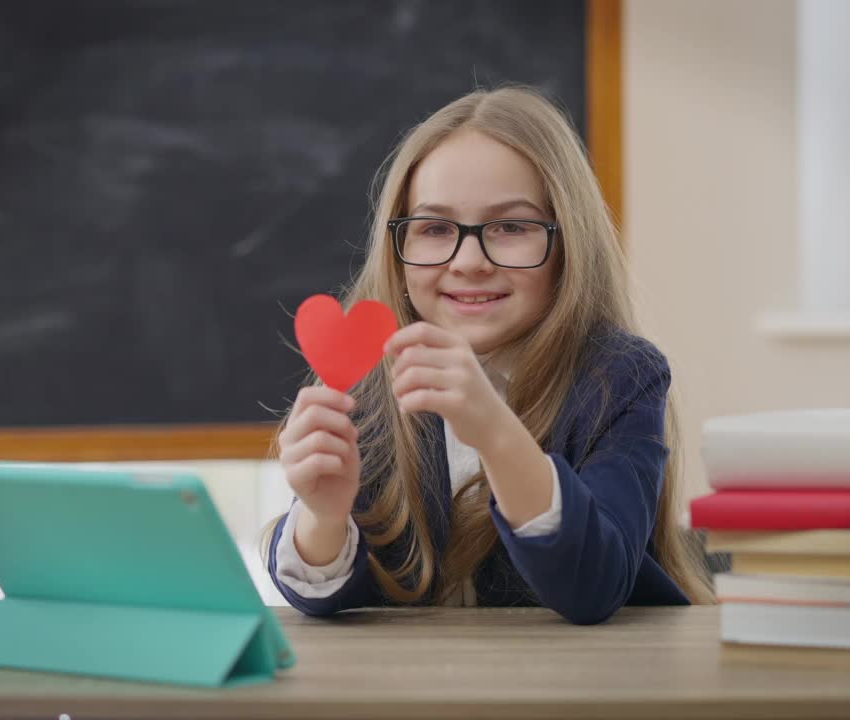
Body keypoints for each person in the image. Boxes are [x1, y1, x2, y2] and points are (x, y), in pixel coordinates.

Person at [265, 86, 714, 625]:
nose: (470, 260)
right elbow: (328, 599)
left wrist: (497, 433)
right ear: (397, 249)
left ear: (568, 244)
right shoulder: (368, 379)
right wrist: (324, 517)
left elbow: (593, 585)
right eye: (434, 228)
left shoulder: (620, 378)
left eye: (511, 227)